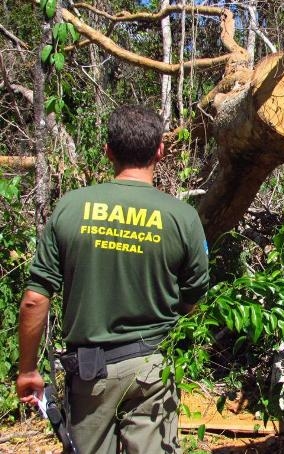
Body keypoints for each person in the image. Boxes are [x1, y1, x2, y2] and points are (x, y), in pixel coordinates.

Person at [16, 104, 210, 453]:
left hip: (91, 374)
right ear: (160, 151)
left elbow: (35, 297)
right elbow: (195, 299)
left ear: (107, 152)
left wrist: (27, 369)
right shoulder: (183, 217)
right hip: (154, 368)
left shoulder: (71, 207)